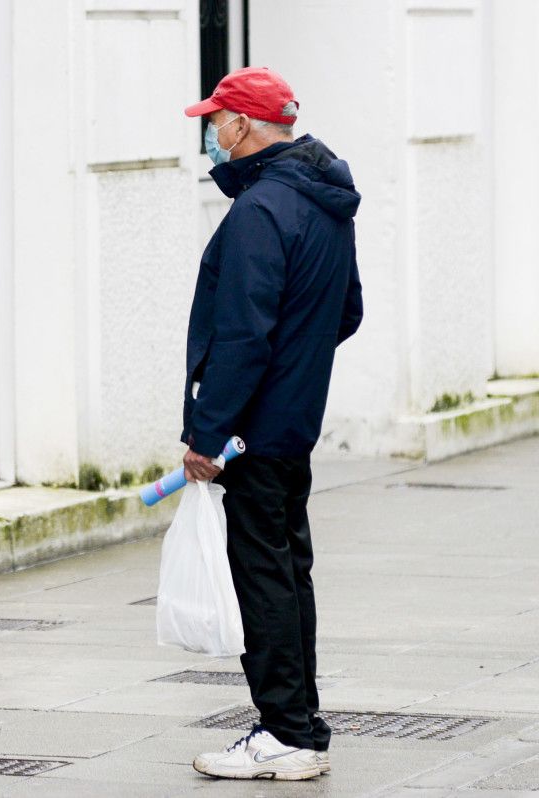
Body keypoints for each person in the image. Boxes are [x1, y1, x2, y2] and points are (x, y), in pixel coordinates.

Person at [179, 67, 363, 780]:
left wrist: (206, 433)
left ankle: (284, 730)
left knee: (264, 575)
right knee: (289, 572)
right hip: (291, 421)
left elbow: (243, 336)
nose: (211, 134)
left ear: (244, 127)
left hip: (248, 428)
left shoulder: (260, 211)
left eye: (216, 121)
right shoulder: (325, 202)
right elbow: (345, 312)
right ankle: (301, 729)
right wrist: (297, 370)